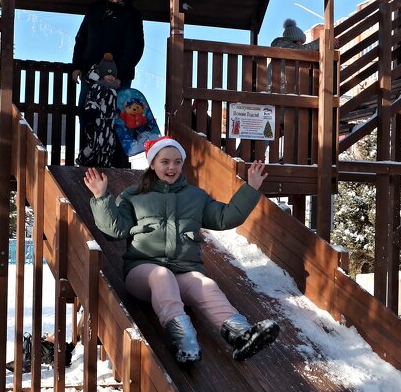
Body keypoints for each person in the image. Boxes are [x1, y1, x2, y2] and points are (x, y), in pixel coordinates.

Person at [84, 136, 280, 365]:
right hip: (143, 272)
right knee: (161, 275)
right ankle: (184, 338)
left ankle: (241, 335)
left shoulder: (195, 197)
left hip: (184, 270)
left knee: (206, 285)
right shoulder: (133, 196)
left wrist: (251, 188)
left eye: (177, 162)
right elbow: (115, 231)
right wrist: (101, 197)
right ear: (152, 163)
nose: (171, 167)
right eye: (165, 161)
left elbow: (226, 217)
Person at [72, 0, 145, 91]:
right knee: (87, 109)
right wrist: (77, 67)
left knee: (117, 109)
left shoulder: (133, 15)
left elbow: (135, 48)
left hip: (119, 79)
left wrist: (119, 75)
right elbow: (81, 40)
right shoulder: (94, 10)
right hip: (91, 74)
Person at [77, 52, 128, 168]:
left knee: (108, 145)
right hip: (98, 121)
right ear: (101, 74)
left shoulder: (114, 91)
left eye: (113, 75)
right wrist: (91, 114)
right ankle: (83, 159)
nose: (111, 77)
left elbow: (116, 106)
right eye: (107, 74)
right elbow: (92, 100)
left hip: (109, 123)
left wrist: (118, 116)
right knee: (95, 143)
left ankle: (104, 166)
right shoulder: (98, 86)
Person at [265, 18, 307, 92]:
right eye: (300, 42)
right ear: (294, 40)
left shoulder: (280, 49)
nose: (301, 45)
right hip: (282, 92)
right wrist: (323, 41)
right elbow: (306, 49)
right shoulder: (288, 49)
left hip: (273, 91)